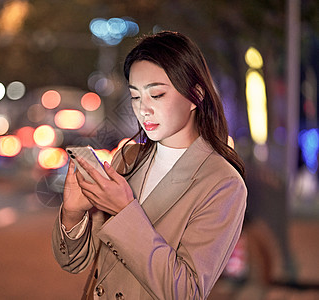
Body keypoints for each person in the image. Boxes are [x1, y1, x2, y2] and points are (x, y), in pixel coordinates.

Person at [51, 31, 247, 300]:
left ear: (196, 95)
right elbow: (74, 263)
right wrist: (72, 215)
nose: (143, 109)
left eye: (156, 95)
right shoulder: (128, 158)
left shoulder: (223, 183)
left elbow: (185, 292)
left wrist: (124, 211)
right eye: (135, 96)